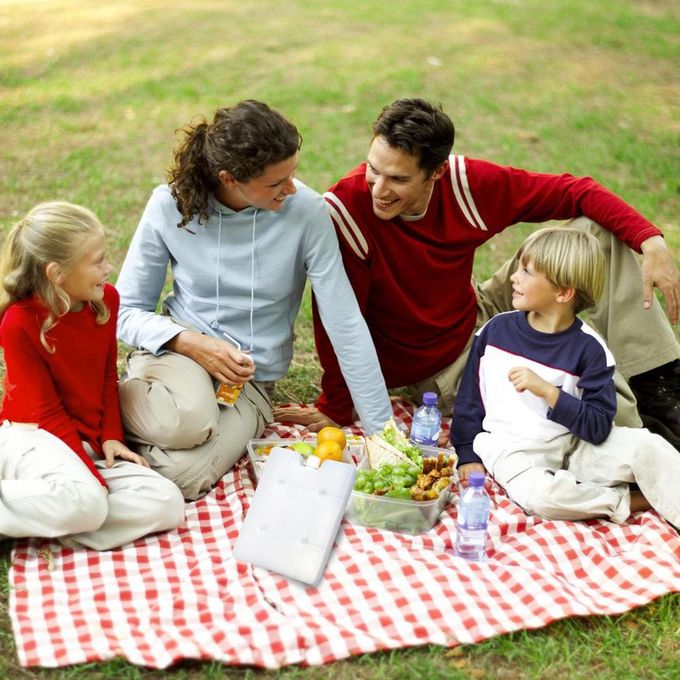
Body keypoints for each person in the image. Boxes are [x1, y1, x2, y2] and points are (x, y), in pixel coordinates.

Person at [275, 98, 680, 448]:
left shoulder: (466, 185)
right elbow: (339, 320)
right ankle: (633, 432)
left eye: (398, 178)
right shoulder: (347, 211)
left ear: (436, 172)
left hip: (478, 309)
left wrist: (650, 240)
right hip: (443, 367)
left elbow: (575, 191)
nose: (378, 188)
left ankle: (657, 381)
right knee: (556, 388)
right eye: (373, 169)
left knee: (598, 231)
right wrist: (336, 405)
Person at [116, 100, 392, 500]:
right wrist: (189, 342)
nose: (291, 188)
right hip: (179, 355)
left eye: (293, 174)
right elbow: (125, 310)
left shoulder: (308, 214)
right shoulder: (169, 205)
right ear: (230, 179)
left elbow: (345, 322)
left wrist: (383, 434)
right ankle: (102, 409)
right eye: (276, 182)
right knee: (188, 420)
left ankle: (125, 440)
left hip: (249, 383)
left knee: (184, 477)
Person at [449, 227, 680, 528]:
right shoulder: (495, 333)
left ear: (563, 293)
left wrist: (550, 392)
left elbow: (598, 428)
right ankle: (630, 500)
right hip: (511, 451)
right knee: (543, 498)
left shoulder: (590, 349)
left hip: (576, 445)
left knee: (650, 447)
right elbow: (469, 403)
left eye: (526, 272)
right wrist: (467, 454)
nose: (513, 277)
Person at [0, 202, 185, 550]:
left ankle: (46, 520)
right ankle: (62, 508)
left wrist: (111, 436)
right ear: (57, 274)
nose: (108, 268)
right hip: (33, 437)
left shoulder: (106, 301)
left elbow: (105, 378)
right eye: (97, 261)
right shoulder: (19, 323)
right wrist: (87, 471)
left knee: (167, 502)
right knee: (87, 499)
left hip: (84, 441)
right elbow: (45, 411)